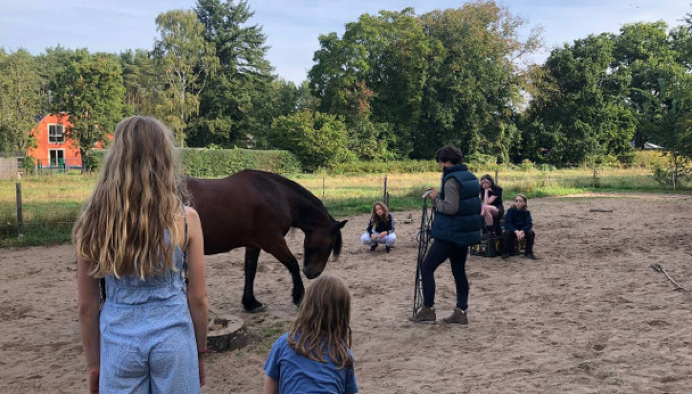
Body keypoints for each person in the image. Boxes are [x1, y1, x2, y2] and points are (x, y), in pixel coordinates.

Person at [75, 116, 209, 394]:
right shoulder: (186, 219)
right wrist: (200, 352)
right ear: (165, 159)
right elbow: (198, 299)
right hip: (174, 341)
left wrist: (94, 366)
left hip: (118, 343)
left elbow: (87, 308)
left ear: (115, 159)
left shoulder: (93, 222)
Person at [409, 145, 482, 324]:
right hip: (464, 234)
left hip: (450, 233)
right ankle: (461, 311)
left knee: (426, 268)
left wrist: (435, 200)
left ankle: (428, 308)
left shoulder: (451, 180)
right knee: (458, 271)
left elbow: (451, 208)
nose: (440, 166)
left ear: (446, 161)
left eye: (441, 163)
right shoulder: (471, 177)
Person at [263, 275, 358, 394]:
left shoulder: (284, 344)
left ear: (306, 305)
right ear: (343, 314)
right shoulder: (343, 355)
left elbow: (269, 391)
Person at [501, 194, 538, 260]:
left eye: (520, 201)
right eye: (516, 201)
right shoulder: (510, 211)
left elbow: (529, 224)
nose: (518, 202)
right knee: (506, 233)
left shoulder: (527, 212)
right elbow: (507, 223)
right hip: (513, 231)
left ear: (524, 203)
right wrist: (516, 231)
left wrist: (522, 231)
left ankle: (529, 252)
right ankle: (505, 252)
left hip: (522, 231)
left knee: (531, 233)